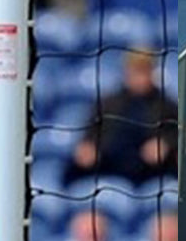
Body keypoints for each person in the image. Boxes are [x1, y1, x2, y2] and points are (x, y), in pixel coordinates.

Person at [67, 51, 178, 187]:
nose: (139, 77)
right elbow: (90, 135)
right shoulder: (108, 104)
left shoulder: (167, 105)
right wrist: (89, 146)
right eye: (135, 71)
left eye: (143, 71)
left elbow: (181, 133)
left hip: (152, 171)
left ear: (151, 72)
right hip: (110, 167)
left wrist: (166, 144)